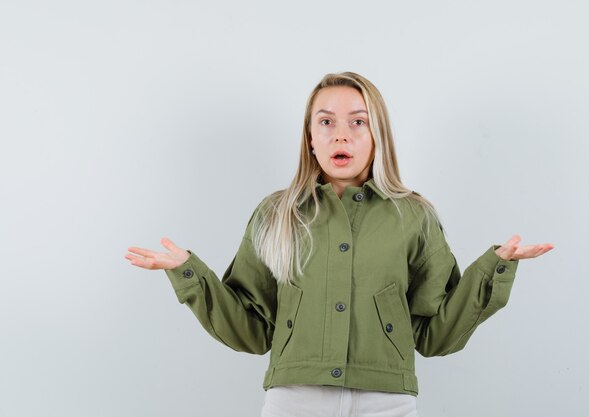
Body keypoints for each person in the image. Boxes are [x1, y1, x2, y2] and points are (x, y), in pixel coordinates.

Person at [125, 72, 553, 417]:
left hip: (386, 400)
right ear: (310, 137)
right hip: (295, 400)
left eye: (358, 122)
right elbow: (252, 331)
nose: (340, 135)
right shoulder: (276, 214)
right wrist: (188, 273)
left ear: (377, 135)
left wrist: (492, 269)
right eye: (326, 121)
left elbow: (434, 335)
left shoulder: (414, 216)